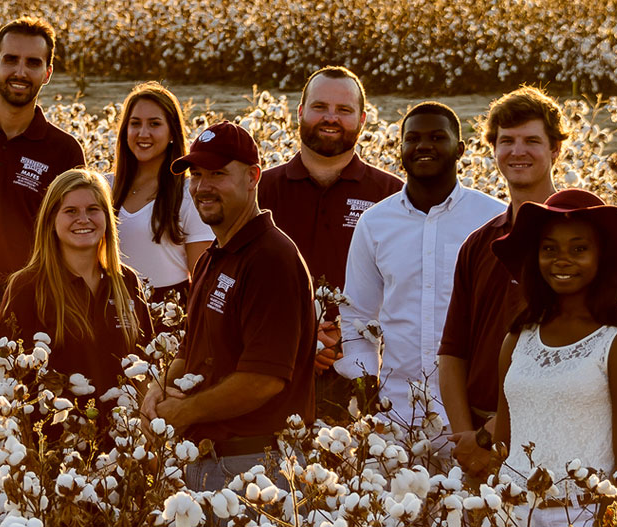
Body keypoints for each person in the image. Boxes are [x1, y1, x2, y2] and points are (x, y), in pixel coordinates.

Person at [140, 122, 315, 491]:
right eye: (196, 174)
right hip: (212, 462)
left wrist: (184, 412)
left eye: (218, 174)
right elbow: (193, 350)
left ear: (253, 177)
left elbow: (263, 379)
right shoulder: (212, 257)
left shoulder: (271, 258)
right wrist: (160, 388)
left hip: (258, 468)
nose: (203, 187)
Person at [492, 189, 617, 526]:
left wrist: (606, 521)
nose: (562, 260)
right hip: (514, 514)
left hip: (588, 515)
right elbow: (503, 440)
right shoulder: (518, 338)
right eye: (549, 249)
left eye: (579, 249)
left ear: (603, 257)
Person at [337, 102, 504, 430]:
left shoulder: (493, 218)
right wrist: (367, 391)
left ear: (460, 149)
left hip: (475, 417)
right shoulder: (374, 223)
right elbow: (357, 317)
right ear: (400, 149)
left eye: (437, 137)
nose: (423, 146)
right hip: (395, 416)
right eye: (412, 139)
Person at [259, 66, 403, 424]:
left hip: (366, 373)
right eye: (320, 106)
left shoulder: (393, 195)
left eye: (344, 110)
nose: (331, 118)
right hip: (271, 368)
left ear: (363, 119)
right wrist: (304, 337)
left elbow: (407, 287)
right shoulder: (260, 190)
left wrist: (348, 338)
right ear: (299, 112)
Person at [439, 87, 568, 475]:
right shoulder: (479, 244)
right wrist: (468, 439)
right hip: (477, 435)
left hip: (551, 431)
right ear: (492, 149)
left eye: (532, 141)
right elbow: (452, 353)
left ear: (555, 151)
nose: (518, 151)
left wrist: (493, 435)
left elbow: (577, 354)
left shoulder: (578, 239)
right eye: (506, 141)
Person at [0, 168, 154, 452]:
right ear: (51, 220)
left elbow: (145, 373)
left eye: (93, 209)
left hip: (123, 452)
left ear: (107, 218)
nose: (83, 219)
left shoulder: (127, 282)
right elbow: (9, 382)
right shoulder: (28, 286)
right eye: (70, 211)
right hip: (55, 458)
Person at [0, 16, 86, 300]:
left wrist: (17, 303)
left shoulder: (65, 150)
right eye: (11, 60)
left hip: (31, 302)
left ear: (47, 73)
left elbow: (71, 240)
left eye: (33, 63)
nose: (20, 72)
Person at [109, 82, 214, 310]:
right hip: (109, 308)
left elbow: (202, 277)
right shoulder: (105, 187)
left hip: (169, 314)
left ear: (172, 133)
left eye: (154, 124)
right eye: (135, 124)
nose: (143, 133)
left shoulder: (189, 194)